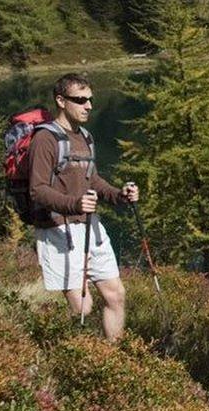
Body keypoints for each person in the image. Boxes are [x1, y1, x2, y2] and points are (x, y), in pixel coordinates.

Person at [26, 72, 140, 341]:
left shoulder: (85, 136)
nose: (88, 105)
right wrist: (74, 204)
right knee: (84, 308)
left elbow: (94, 179)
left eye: (90, 99)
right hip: (58, 231)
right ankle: (76, 358)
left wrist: (119, 195)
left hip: (91, 227)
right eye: (80, 100)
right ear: (61, 101)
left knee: (116, 295)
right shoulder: (45, 139)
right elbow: (37, 189)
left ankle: (112, 361)